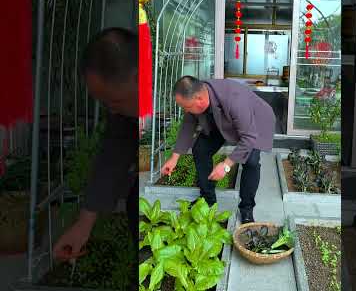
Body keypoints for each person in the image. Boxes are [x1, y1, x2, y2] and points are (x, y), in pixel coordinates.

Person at [52, 28, 138, 278]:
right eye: (104, 104)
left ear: (139, 77)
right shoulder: (123, 112)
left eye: (115, 101)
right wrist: (83, 224)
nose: (112, 110)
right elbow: (113, 154)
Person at [161, 76, 276, 224]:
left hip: (255, 121)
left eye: (186, 107)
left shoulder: (234, 99)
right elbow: (188, 124)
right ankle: (207, 199)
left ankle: (246, 209)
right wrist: (174, 157)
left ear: (199, 99)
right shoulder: (198, 96)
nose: (185, 110)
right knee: (200, 148)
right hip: (223, 119)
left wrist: (226, 165)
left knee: (251, 161)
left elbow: (248, 137)